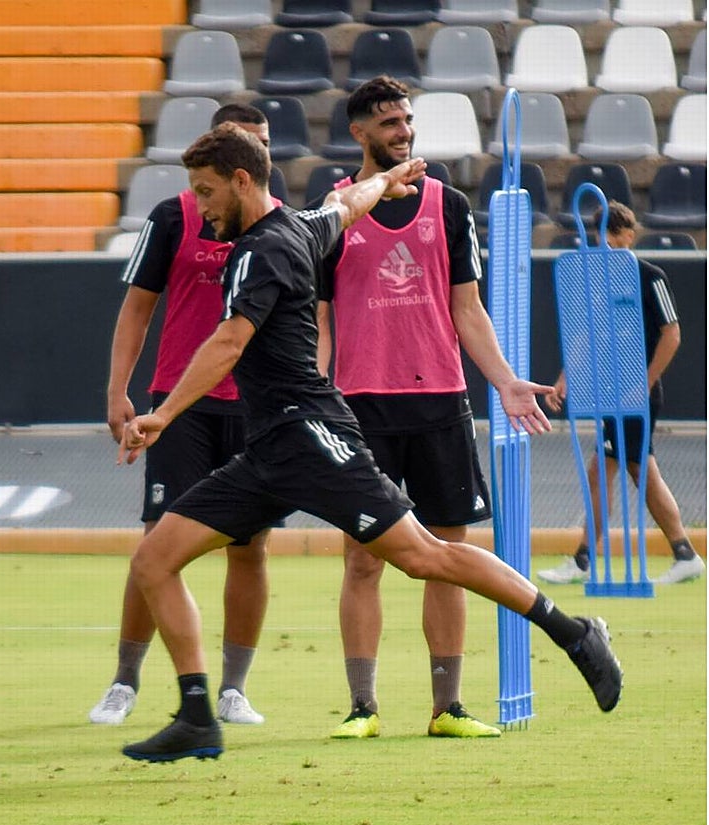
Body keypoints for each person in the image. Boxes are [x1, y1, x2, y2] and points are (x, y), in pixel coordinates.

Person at [114, 123, 621, 763]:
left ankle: (576, 635)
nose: (202, 205)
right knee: (153, 561)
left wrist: (164, 414)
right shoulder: (303, 226)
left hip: (312, 437)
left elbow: (227, 344)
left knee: (427, 557)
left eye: (207, 191)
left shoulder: (262, 250)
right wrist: (386, 181)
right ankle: (195, 714)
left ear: (243, 181)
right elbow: (346, 206)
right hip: (268, 452)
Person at [312, 75, 515, 739]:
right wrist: (316, 397)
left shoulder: (449, 206)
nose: (403, 132)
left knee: (446, 556)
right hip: (361, 408)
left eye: (406, 120)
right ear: (359, 134)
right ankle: (362, 708)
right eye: (389, 124)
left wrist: (507, 382)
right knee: (364, 559)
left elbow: (468, 309)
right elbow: (319, 321)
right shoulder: (337, 210)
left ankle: (446, 709)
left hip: (439, 401)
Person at [91, 103, 284, 729]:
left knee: (250, 549)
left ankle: (233, 690)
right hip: (181, 404)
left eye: (265, 145)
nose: (260, 157)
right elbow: (136, 307)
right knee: (157, 540)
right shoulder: (174, 215)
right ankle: (125, 680)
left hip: (254, 407)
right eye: (248, 144)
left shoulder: (283, 226)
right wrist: (119, 390)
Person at [538, 201, 704, 586]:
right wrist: (566, 377)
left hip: (635, 394)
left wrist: (642, 384)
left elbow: (672, 334)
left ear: (630, 237)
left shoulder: (650, 277)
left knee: (628, 472)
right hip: (611, 392)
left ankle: (589, 560)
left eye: (614, 240)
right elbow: (588, 334)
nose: (607, 248)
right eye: (600, 241)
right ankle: (680, 553)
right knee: (626, 472)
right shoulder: (599, 281)